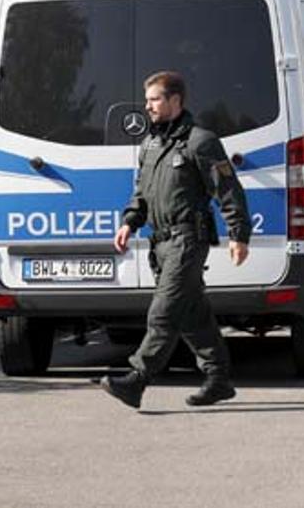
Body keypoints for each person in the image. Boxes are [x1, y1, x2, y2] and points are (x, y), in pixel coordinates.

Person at [100, 71, 251, 409]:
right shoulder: (151, 144)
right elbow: (142, 193)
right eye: (148, 99)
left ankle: (136, 380)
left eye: (155, 99)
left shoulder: (201, 142)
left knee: (164, 312)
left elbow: (227, 190)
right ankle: (218, 379)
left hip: (188, 239)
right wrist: (129, 223)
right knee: (191, 314)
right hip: (161, 243)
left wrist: (238, 234)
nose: (148, 106)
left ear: (175, 101)